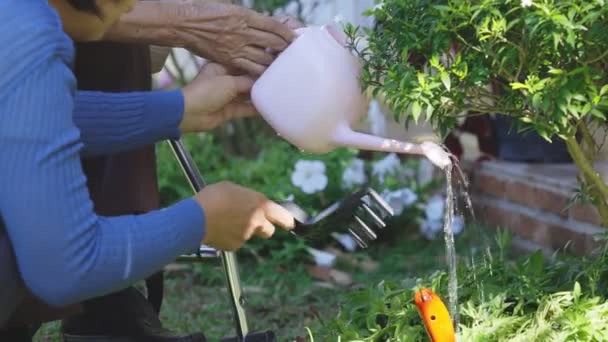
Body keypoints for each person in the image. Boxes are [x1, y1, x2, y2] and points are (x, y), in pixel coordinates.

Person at [0, 0, 296, 340]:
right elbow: (64, 267)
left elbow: (30, 117)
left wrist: (181, 109)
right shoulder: (29, 33)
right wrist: (204, 219)